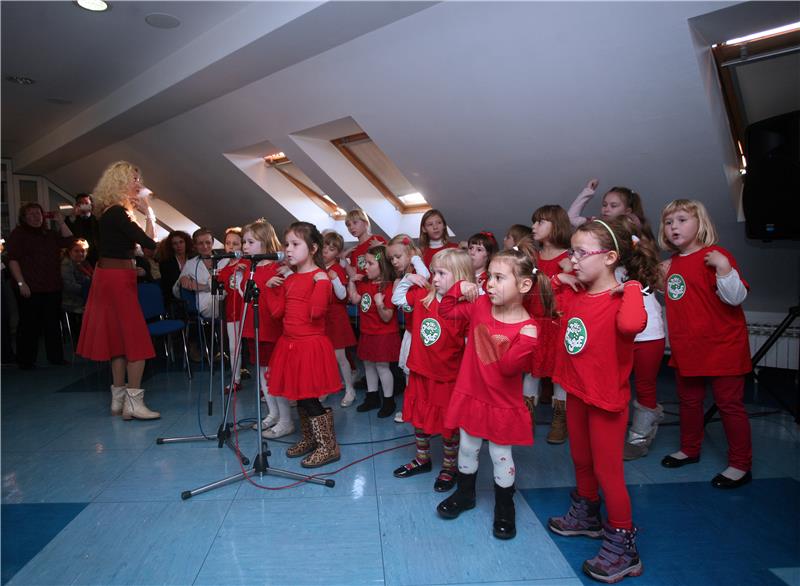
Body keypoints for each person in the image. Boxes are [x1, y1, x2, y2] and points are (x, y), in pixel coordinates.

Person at [548, 218, 647, 583]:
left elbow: (630, 326)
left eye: (580, 252)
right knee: (581, 458)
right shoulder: (577, 293)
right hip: (577, 391)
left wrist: (633, 287)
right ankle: (587, 516)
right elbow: (549, 290)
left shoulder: (621, 298)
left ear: (609, 258)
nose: (571, 259)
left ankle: (623, 544)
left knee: (609, 472)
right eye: (572, 251)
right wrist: (563, 277)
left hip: (605, 399)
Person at [436, 248, 550, 541]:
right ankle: (465, 495)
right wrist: (460, 287)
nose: (489, 284)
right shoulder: (480, 305)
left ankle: (504, 506)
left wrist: (527, 342)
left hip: (500, 403)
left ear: (524, 286)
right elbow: (446, 311)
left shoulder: (528, 328)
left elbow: (509, 368)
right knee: (467, 447)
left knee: (500, 454)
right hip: (471, 394)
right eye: (489, 277)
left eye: (499, 278)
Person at [658, 199, 752, 489]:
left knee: (729, 405)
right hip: (688, 349)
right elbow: (675, 302)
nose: (674, 227)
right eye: (669, 222)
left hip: (724, 348)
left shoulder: (717, 255)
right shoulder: (669, 264)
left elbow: (735, 298)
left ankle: (740, 464)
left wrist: (723, 268)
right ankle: (690, 448)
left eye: (682, 220)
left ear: (701, 224)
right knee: (688, 402)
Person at [76, 161, 160, 420]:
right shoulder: (117, 214)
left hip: (110, 277)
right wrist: (149, 213)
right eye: (133, 179)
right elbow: (149, 244)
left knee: (118, 341)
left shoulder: (108, 213)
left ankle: (118, 400)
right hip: (117, 279)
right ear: (120, 183)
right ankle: (134, 403)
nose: (138, 184)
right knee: (135, 341)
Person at [391, 248, 472, 492]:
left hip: (446, 378)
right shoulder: (423, 297)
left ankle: (449, 466)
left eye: (441, 273)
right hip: (419, 372)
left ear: (459, 277)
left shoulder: (463, 310)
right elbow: (396, 299)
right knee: (419, 419)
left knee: (448, 425)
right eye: (433, 272)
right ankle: (422, 459)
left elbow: (469, 348)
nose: (434, 278)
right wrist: (407, 279)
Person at [266, 221, 342, 468]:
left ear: (312, 248)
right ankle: (310, 439)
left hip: (309, 345)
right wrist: (271, 289)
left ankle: (328, 446)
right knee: (299, 395)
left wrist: (321, 281)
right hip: (290, 345)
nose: (288, 249)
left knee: (309, 397)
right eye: (287, 244)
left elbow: (317, 312)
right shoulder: (289, 279)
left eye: (295, 244)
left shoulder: (320, 278)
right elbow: (277, 313)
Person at [525, 205, 573, 444]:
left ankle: (560, 419)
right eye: (534, 222)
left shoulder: (570, 259)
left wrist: (569, 270)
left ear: (557, 226)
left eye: (540, 222)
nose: (534, 227)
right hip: (533, 322)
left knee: (558, 375)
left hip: (558, 325)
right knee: (531, 372)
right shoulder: (531, 258)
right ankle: (526, 418)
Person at [6, 202, 74, 369]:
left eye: (38, 213)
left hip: (51, 286)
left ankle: (56, 357)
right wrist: (21, 283)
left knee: (52, 324)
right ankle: (26, 360)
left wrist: (61, 222)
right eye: (30, 214)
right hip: (30, 287)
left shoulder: (49, 233)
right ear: (24, 217)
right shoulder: (19, 234)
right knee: (29, 325)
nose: (35, 216)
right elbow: (13, 260)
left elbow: (69, 240)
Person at [238, 219, 289, 438]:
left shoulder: (277, 268)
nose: (245, 246)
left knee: (274, 375)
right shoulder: (250, 267)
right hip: (253, 327)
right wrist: (240, 276)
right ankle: (273, 413)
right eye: (244, 242)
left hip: (270, 328)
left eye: (250, 242)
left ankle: (286, 419)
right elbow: (246, 294)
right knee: (261, 372)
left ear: (265, 243)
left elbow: (278, 299)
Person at [347, 244, 400, 417]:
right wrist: (352, 281)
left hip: (383, 335)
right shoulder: (365, 283)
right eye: (365, 263)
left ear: (382, 265)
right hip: (367, 332)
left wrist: (379, 304)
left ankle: (388, 400)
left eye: (370, 263)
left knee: (382, 367)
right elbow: (354, 299)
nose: (365, 267)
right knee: (368, 365)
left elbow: (387, 317)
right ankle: (372, 397)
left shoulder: (390, 287)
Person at [386, 233, 430, 422]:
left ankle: (421, 407)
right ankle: (410, 407)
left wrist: (414, 256)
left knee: (419, 374)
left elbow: (426, 275)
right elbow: (396, 301)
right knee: (408, 373)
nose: (394, 261)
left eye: (398, 256)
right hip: (411, 332)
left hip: (421, 333)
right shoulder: (404, 278)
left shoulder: (418, 271)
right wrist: (406, 279)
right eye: (391, 259)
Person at [321, 230, 358, 407]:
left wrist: (335, 280)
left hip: (336, 317)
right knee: (325, 356)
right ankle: (328, 386)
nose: (326, 250)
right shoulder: (319, 267)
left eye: (332, 248)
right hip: (322, 317)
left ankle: (350, 389)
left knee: (340, 357)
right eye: (325, 246)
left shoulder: (337, 269)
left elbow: (343, 296)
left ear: (337, 253)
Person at [568, 179, 656, 240]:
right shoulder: (595, 223)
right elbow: (571, 218)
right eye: (604, 205)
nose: (606, 209)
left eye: (613, 206)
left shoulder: (632, 231)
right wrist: (588, 191)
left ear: (627, 211)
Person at [217, 227, 246, 393]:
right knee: (234, 348)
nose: (231, 247)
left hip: (247, 311)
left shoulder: (247, 263)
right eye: (228, 243)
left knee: (256, 347)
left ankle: (266, 384)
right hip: (232, 312)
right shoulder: (224, 267)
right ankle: (235, 380)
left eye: (235, 243)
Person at [61, 238, 94, 340]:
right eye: (76, 251)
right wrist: (89, 291)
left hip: (85, 298)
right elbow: (69, 286)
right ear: (69, 252)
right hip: (72, 300)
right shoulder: (66, 265)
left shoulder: (85, 264)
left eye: (83, 251)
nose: (80, 253)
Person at [342, 209, 386, 278]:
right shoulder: (354, 250)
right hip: (360, 287)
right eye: (348, 225)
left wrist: (379, 249)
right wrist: (343, 258)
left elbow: (385, 262)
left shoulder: (377, 239)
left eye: (355, 222)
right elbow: (354, 275)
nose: (351, 227)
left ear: (366, 223)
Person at [157, 230, 193, 313]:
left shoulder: (193, 259)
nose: (179, 246)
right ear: (171, 246)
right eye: (175, 243)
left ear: (186, 243)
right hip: (175, 299)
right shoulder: (165, 263)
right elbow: (168, 287)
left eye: (181, 242)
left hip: (194, 294)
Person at [65, 193, 100, 266]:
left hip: (95, 256)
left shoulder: (97, 219)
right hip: (77, 256)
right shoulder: (71, 219)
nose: (84, 206)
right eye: (81, 203)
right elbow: (67, 235)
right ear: (77, 205)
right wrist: (73, 216)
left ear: (91, 205)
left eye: (86, 203)